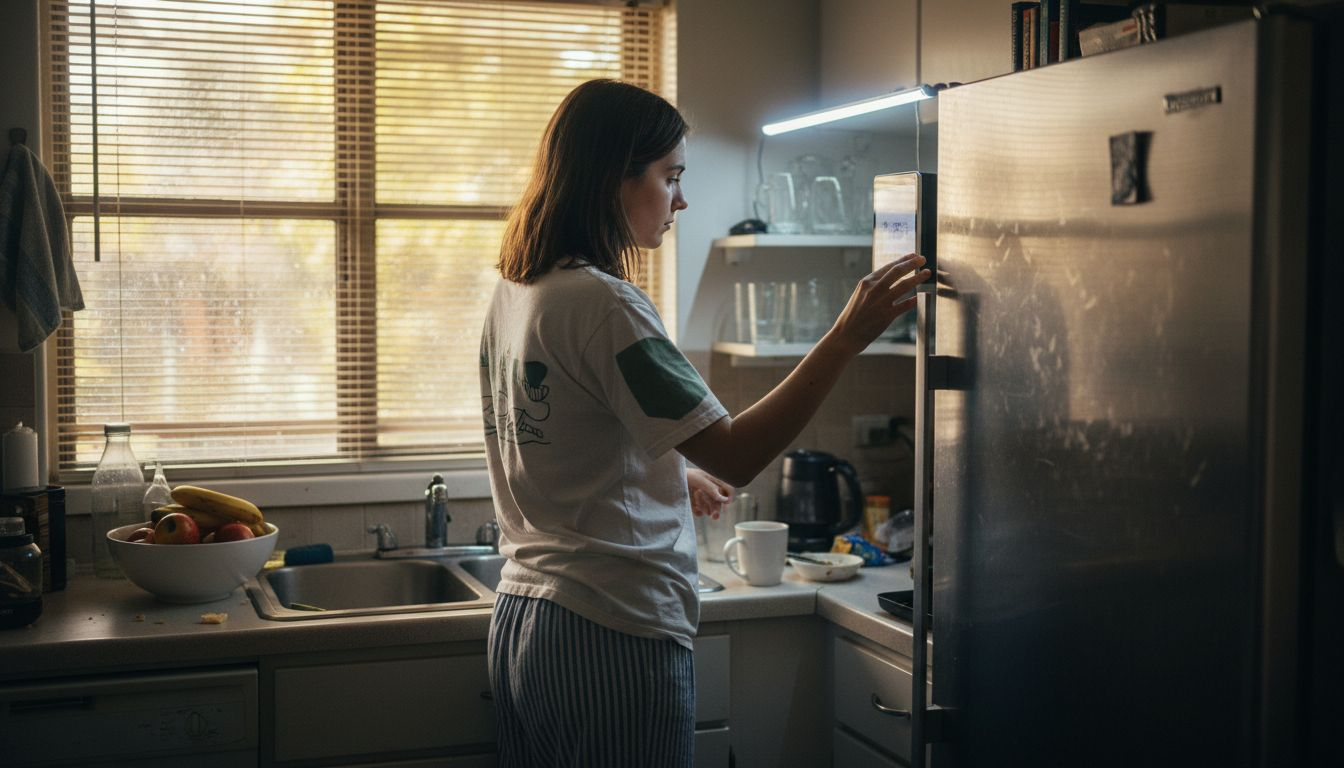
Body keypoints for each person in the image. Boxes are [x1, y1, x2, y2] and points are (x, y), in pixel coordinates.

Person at [479, 78, 928, 768]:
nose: (681, 200)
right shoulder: (607, 305)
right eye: (670, 177)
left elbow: (560, 436)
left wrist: (665, 470)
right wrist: (845, 335)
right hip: (610, 627)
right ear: (611, 179)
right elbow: (738, 453)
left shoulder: (520, 290)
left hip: (523, 618)